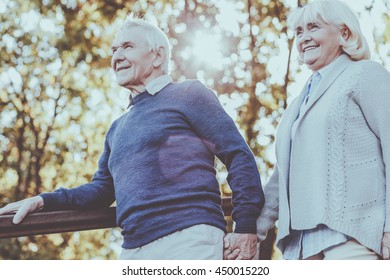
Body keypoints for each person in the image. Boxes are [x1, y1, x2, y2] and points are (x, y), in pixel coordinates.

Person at [0, 15, 264, 260]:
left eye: (126, 47)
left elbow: (238, 154)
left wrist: (245, 226)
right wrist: (44, 200)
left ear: (157, 56)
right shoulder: (117, 128)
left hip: (189, 239)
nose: (116, 56)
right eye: (113, 50)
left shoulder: (189, 94)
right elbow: (102, 190)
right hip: (133, 250)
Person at [253, 0, 390, 260]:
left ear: (344, 33)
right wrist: (251, 230)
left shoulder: (365, 74)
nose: (304, 38)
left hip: (352, 240)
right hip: (300, 247)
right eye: (299, 32)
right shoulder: (298, 102)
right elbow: (283, 176)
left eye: (313, 27)